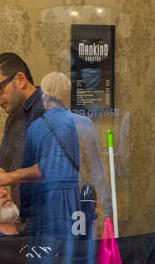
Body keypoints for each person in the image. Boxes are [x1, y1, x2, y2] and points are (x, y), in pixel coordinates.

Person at [1, 97, 95, 264]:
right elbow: (92, 166)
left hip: (43, 201)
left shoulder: (34, 127)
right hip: (71, 198)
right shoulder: (78, 122)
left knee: (55, 260)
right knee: (72, 258)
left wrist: (27, 209)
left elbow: (28, 171)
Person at [40, 71, 110, 224]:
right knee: (83, 245)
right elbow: (97, 170)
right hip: (79, 200)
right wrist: (107, 210)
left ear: (46, 97)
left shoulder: (39, 126)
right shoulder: (83, 124)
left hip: (51, 202)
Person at [0, 52, 45, 210]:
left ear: (20, 80)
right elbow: (1, 165)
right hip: (25, 216)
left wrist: (8, 178)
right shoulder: (14, 117)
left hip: (49, 218)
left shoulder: (48, 110)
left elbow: (54, 167)